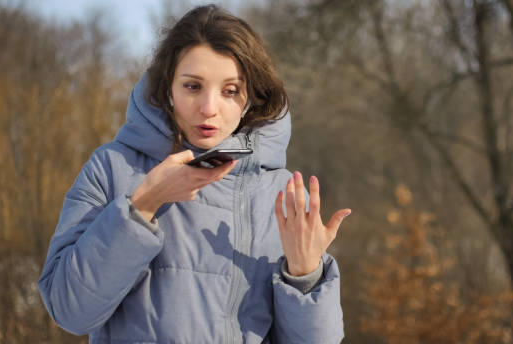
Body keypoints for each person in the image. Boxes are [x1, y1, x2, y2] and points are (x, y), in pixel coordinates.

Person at [38, 4, 350, 343]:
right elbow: (69, 310)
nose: (209, 108)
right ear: (167, 88)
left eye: (230, 90)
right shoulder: (112, 169)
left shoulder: (281, 192)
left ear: (251, 97)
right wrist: (142, 206)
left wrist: (305, 277)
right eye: (192, 86)